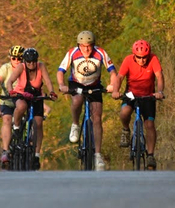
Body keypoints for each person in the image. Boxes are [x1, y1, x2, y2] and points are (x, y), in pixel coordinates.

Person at [57, 30, 118, 171]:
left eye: (89, 46)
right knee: (77, 100)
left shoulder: (101, 52)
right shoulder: (72, 52)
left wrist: (112, 85)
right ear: (78, 45)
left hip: (94, 85)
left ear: (93, 45)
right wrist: (61, 85)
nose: (86, 49)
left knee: (96, 118)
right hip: (77, 84)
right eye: (83, 46)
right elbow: (61, 71)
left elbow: (113, 72)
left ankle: (97, 155)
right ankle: (75, 125)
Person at [111, 39, 164, 170]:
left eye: (144, 57)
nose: (142, 60)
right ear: (134, 55)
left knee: (149, 124)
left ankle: (150, 155)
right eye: (139, 58)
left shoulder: (153, 59)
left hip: (148, 95)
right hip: (131, 94)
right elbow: (119, 77)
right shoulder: (128, 60)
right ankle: (126, 129)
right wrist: (116, 91)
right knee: (124, 113)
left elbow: (159, 76)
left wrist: (160, 91)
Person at [5, 48, 58, 170]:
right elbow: (10, 81)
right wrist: (10, 91)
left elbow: (48, 81)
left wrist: (51, 92)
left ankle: (36, 155)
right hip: (21, 94)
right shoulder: (21, 67)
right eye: (29, 62)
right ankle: (16, 126)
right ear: (25, 61)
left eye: (34, 62)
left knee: (38, 123)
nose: (31, 64)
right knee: (22, 106)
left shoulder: (41, 66)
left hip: (36, 96)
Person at [0, 45, 25, 168]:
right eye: (14, 58)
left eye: (19, 58)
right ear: (10, 58)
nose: (16, 61)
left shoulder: (25, 68)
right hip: (7, 101)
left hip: (22, 100)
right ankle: (6, 150)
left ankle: (28, 143)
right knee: (7, 120)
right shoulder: (6, 68)